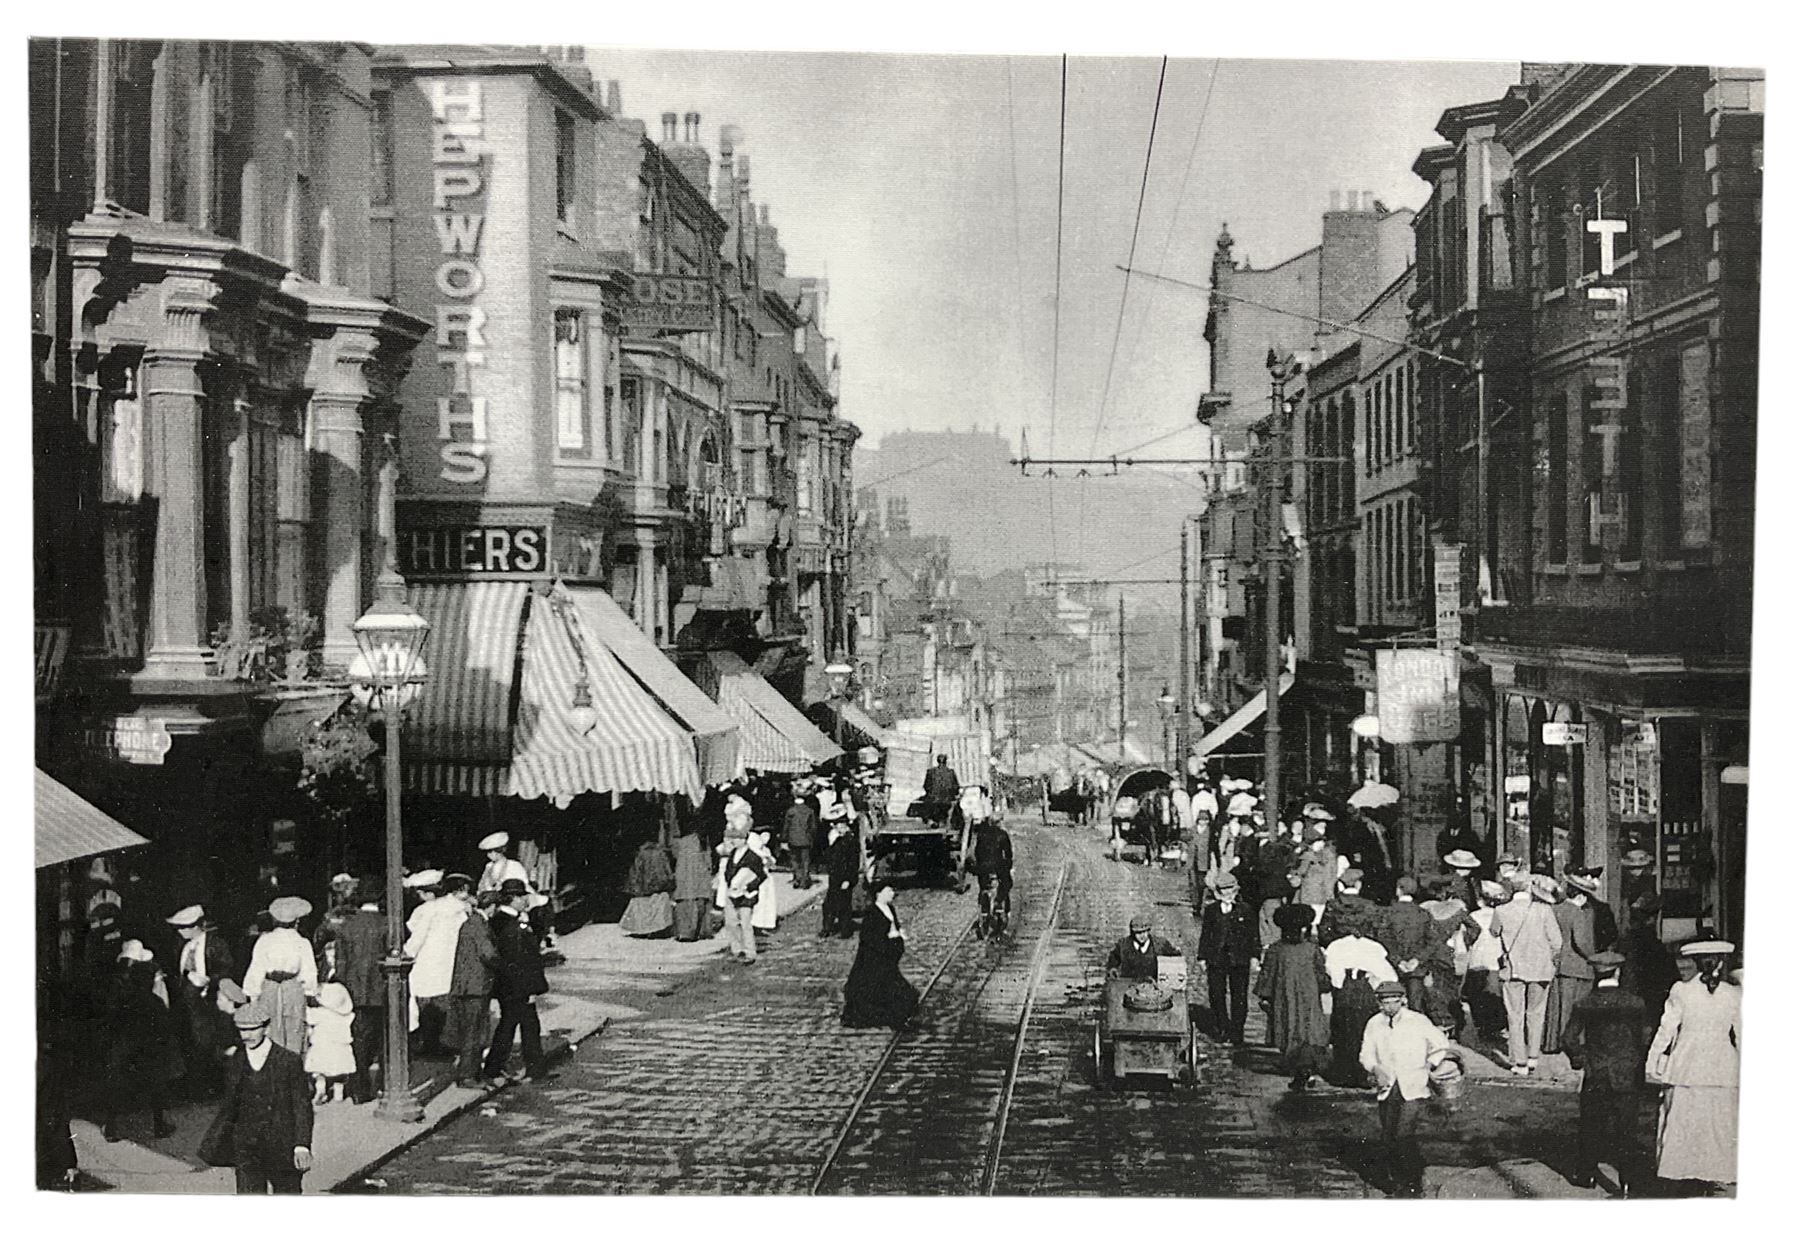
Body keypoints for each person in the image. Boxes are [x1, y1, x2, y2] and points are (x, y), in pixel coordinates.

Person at [1645, 939, 1740, 1193]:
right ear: (1721, 962)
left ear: (1696, 963)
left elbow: (1665, 1031)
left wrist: (1652, 1062)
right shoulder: (1734, 994)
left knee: (1684, 1123)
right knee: (1718, 1126)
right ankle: (1713, 1176)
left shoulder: (1681, 991)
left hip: (1686, 1066)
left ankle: (1683, 1175)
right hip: (1722, 1068)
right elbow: (1742, 1035)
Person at [199, 1000, 314, 1194]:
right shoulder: (235, 1061)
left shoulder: (288, 1061)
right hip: (246, 1146)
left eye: (252, 1029)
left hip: (282, 1146)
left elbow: (302, 1106)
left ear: (266, 1028)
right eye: (242, 1030)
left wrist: (302, 1145)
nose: (246, 1036)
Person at [1560, 949, 1649, 1195]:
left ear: (1595, 973)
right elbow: (1645, 1038)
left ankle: (1586, 1175)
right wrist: (1636, 1061)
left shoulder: (1585, 1003)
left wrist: (1580, 1059)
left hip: (1597, 1073)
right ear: (1618, 972)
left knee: (1591, 1126)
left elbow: (1568, 1039)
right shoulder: (1635, 1003)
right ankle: (1628, 1181)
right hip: (1626, 1074)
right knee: (1627, 1130)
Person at [1359, 979, 1452, 1197]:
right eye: (1385, 1003)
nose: (1390, 1007)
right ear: (1378, 1003)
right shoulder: (1374, 1023)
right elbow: (1366, 1053)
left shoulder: (1417, 1021)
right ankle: (1395, 1180)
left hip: (1413, 1084)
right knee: (1389, 1135)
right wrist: (1374, 1068)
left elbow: (1440, 1045)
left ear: (1404, 1000)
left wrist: (1429, 1064)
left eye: (1394, 1002)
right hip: (1388, 1087)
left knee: (1404, 1134)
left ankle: (1412, 1183)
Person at [101, 940, 183, 1142]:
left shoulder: (120, 995)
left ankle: (111, 1127)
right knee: (155, 1085)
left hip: (123, 1047)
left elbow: (110, 1021)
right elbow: (164, 1026)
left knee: (116, 1086)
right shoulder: (153, 1001)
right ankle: (158, 1125)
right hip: (148, 1050)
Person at [483, 879, 552, 1085]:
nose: (525, 900)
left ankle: (498, 1067)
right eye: (522, 897)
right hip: (516, 986)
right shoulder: (508, 924)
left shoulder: (508, 920)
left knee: (512, 1024)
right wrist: (530, 987)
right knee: (523, 1025)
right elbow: (519, 960)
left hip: (512, 985)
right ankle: (530, 1068)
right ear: (513, 899)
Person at [1255, 904, 1332, 1090]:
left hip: (1284, 997)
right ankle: (1307, 1068)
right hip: (1309, 997)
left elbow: (1267, 975)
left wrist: (1265, 995)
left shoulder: (1276, 949)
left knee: (1288, 1028)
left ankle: (1296, 1067)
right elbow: (1321, 975)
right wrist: (1324, 986)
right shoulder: (1312, 949)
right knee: (1308, 1031)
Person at [1493, 874, 1563, 1075]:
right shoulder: (1544, 910)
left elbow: (1493, 932)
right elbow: (1557, 942)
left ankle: (1519, 1061)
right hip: (1540, 969)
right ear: (1530, 888)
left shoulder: (1501, 910)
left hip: (1513, 968)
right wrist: (1547, 957)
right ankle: (1533, 1056)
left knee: (1514, 1015)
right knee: (1536, 1012)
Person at [166, 903, 237, 1098]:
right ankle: (196, 1087)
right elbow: (175, 972)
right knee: (191, 1044)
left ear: (195, 927)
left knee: (210, 1044)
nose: (179, 932)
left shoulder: (216, 944)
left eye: (183, 928)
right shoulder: (181, 946)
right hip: (187, 1004)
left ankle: (215, 1087)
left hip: (210, 1002)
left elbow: (227, 971)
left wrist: (209, 982)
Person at [328, 883, 385, 1103]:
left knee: (359, 1041)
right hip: (382, 989)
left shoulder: (346, 926)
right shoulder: (387, 923)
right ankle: (383, 1086)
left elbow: (341, 962)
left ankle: (359, 1089)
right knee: (385, 1041)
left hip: (354, 991)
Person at [241, 897, 319, 1057]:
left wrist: (253, 995)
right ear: (297, 921)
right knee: (294, 1028)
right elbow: (309, 972)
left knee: (270, 1029)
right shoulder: (302, 942)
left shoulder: (265, 940)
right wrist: (310, 993)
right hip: (292, 988)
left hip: (271, 988)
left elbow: (256, 968)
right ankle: (293, 1067)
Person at [1324, 915, 1395, 1087]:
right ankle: (1362, 1074)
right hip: (1365, 990)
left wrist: (1338, 985)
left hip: (1345, 989)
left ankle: (1344, 1073)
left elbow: (1331, 970)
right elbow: (1386, 974)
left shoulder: (1336, 946)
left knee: (1343, 1030)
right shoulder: (1374, 947)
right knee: (1365, 1031)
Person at [404, 874, 469, 1057]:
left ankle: (429, 1045)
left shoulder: (426, 910)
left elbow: (417, 937)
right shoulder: (458, 908)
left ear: (426, 893)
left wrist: (407, 953)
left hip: (427, 963)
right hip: (449, 963)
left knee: (425, 1006)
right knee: (445, 1006)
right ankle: (444, 1044)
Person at [842, 879, 920, 1030]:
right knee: (893, 992)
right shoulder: (872, 914)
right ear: (879, 894)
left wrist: (898, 934)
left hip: (888, 959)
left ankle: (898, 1018)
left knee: (898, 991)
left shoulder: (889, 908)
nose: (892, 893)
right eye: (889, 891)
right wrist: (891, 938)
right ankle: (897, 1020)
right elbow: (870, 939)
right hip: (876, 961)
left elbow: (894, 925)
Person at [445, 887, 500, 1088]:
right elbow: (488, 954)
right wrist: (504, 966)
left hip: (469, 985)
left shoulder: (472, 923)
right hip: (475, 986)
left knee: (473, 1030)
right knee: (473, 1032)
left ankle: (472, 1072)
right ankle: (467, 1076)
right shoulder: (479, 925)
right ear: (492, 907)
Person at [1198, 874, 1259, 1044]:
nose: (1228, 894)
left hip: (1239, 959)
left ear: (1236, 890)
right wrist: (1202, 957)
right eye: (1224, 890)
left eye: (1230, 890)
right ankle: (1222, 1027)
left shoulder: (1245, 910)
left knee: (1239, 996)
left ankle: (1237, 1030)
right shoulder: (1211, 911)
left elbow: (1254, 935)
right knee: (1217, 994)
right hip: (1216, 958)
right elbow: (1206, 935)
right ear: (1218, 892)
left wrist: (1255, 956)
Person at [1543, 876, 1598, 1055]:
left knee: (1556, 1007)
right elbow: (1582, 942)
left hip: (1557, 965)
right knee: (1573, 1008)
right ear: (1581, 896)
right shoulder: (1577, 913)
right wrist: (1594, 958)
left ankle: (1552, 1043)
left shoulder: (1553, 909)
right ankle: (1570, 1044)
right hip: (1577, 966)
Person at [1378, 875, 1437, 1015]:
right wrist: (1417, 960)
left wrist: (1398, 960)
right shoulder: (1424, 913)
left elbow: (1383, 940)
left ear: (1398, 890)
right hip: (1416, 969)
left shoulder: (1388, 912)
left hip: (1393, 967)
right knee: (1415, 1009)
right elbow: (1433, 941)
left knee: (1392, 1009)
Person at [1461, 880, 1509, 1042]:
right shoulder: (1502, 915)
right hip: (1496, 960)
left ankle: (1482, 1027)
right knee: (1495, 995)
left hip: (1477, 960)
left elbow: (1466, 939)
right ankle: (1496, 1027)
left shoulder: (1473, 916)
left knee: (1477, 996)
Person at [303, 982, 357, 1104]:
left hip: (322, 1048)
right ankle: (339, 1094)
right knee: (341, 1072)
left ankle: (321, 1089)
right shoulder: (346, 1016)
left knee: (319, 1071)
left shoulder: (321, 1013)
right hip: (340, 1049)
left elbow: (308, 1016)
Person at [718, 827, 766, 963]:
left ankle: (750, 952)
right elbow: (728, 872)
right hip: (732, 892)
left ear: (745, 840)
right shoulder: (733, 853)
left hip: (747, 895)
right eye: (734, 839)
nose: (736, 841)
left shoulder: (753, 856)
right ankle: (737, 950)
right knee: (731, 923)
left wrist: (748, 886)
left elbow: (761, 875)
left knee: (745, 923)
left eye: (739, 839)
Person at [969, 806, 1014, 938]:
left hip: (983, 869)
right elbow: (1008, 855)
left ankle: (984, 904)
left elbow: (977, 852)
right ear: (1000, 822)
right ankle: (999, 903)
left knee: (983, 886)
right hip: (998, 868)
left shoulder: (982, 835)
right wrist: (1008, 866)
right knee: (1007, 883)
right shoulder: (1003, 835)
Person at [619, 839, 676, 937]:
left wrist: (634, 885)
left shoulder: (641, 854)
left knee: (642, 906)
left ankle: (642, 929)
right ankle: (658, 929)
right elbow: (666, 870)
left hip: (644, 888)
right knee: (659, 905)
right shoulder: (661, 853)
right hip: (659, 886)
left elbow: (636, 871)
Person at [821, 807, 861, 938]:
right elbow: (828, 856)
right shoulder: (836, 838)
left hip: (845, 877)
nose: (837, 827)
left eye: (838, 824)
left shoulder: (851, 840)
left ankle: (845, 930)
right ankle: (827, 928)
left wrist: (848, 879)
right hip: (835, 876)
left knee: (844, 904)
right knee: (829, 903)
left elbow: (853, 862)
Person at [1317, 868, 1382, 948]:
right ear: (1358, 884)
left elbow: (1324, 931)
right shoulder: (1369, 904)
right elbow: (1376, 931)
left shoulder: (1333, 904)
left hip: (1338, 949)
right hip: (1363, 949)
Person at [671, 824, 715, 943]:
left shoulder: (684, 842)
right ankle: (701, 931)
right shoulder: (702, 842)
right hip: (699, 880)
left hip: (687, 880)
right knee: (700, 905)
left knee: (687, 906)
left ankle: (686, 933)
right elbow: (707, 862)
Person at [1106, 915, 1179, 982]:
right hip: (1128, 985)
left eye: (1144, 932)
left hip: (1153, 986)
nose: (1142, 936)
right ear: (1132, 933)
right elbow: (1113, 960)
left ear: (1148, 931)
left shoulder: (1160, 945)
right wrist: (1112, 969)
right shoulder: (1123, 945)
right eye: (1138, 933)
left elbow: (1176, 958)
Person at [783, 789, 821, 888]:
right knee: (805, 860)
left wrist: (784, 839)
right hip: (806, 840)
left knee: (795, 860)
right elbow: (813, 827)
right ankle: (804, 880)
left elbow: (786, 826)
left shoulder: (791, 811)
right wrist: (811, 837)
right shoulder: (809, 811)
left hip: (793, 839)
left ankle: (797, 879)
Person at [923, 754, 960, 826]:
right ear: (946, 761)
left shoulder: (931, 772)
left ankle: (932, 821)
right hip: (947, 801)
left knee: (927, 805)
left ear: (937, 761)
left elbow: (926, 786)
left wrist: (931, 793)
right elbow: (956, 787)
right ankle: (942, 822)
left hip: (933, 801)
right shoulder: (951, 772)